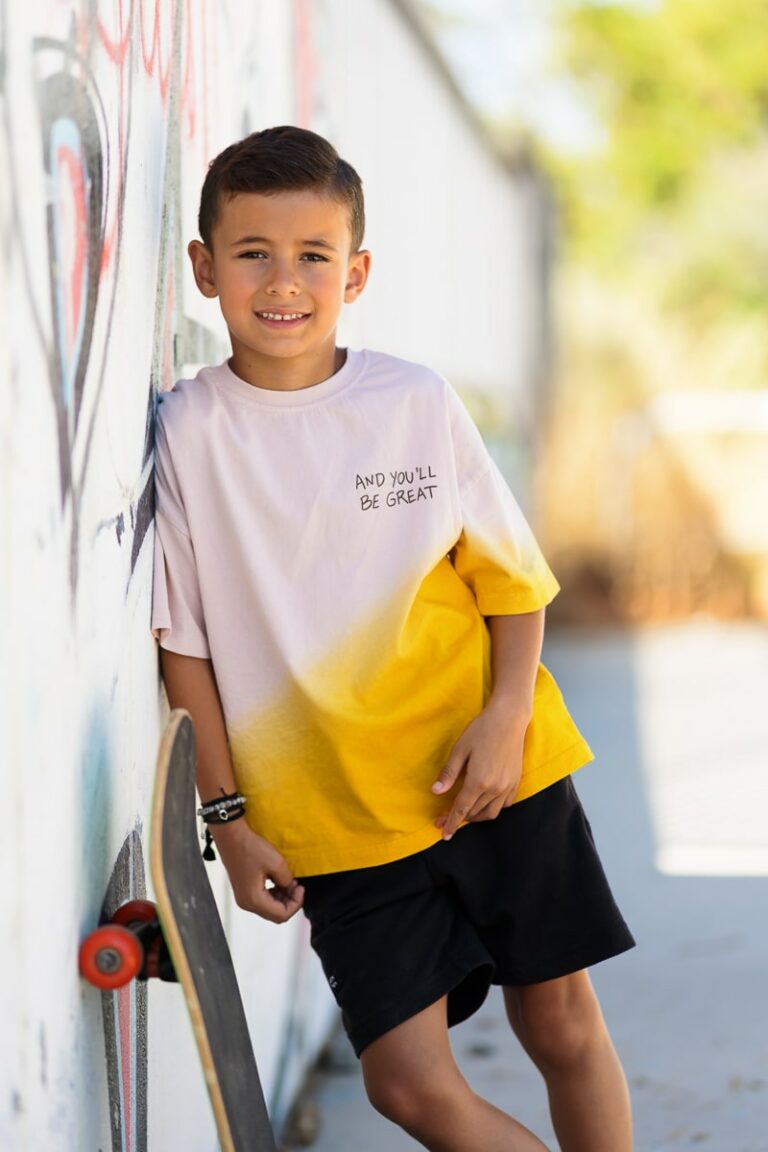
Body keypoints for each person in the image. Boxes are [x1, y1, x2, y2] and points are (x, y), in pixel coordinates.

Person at [151, 125, 635, 1152]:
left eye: (313, 256)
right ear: (204, 267)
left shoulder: (413, 400)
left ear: (356, 273)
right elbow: (185, 648)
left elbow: (512, 582)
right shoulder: (191, 432)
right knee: (408, 1086)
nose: (284, 283)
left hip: (492, 767)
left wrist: (507, 719)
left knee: (560, 1024)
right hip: (334, 813)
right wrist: (228, 822)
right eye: (253, 253)